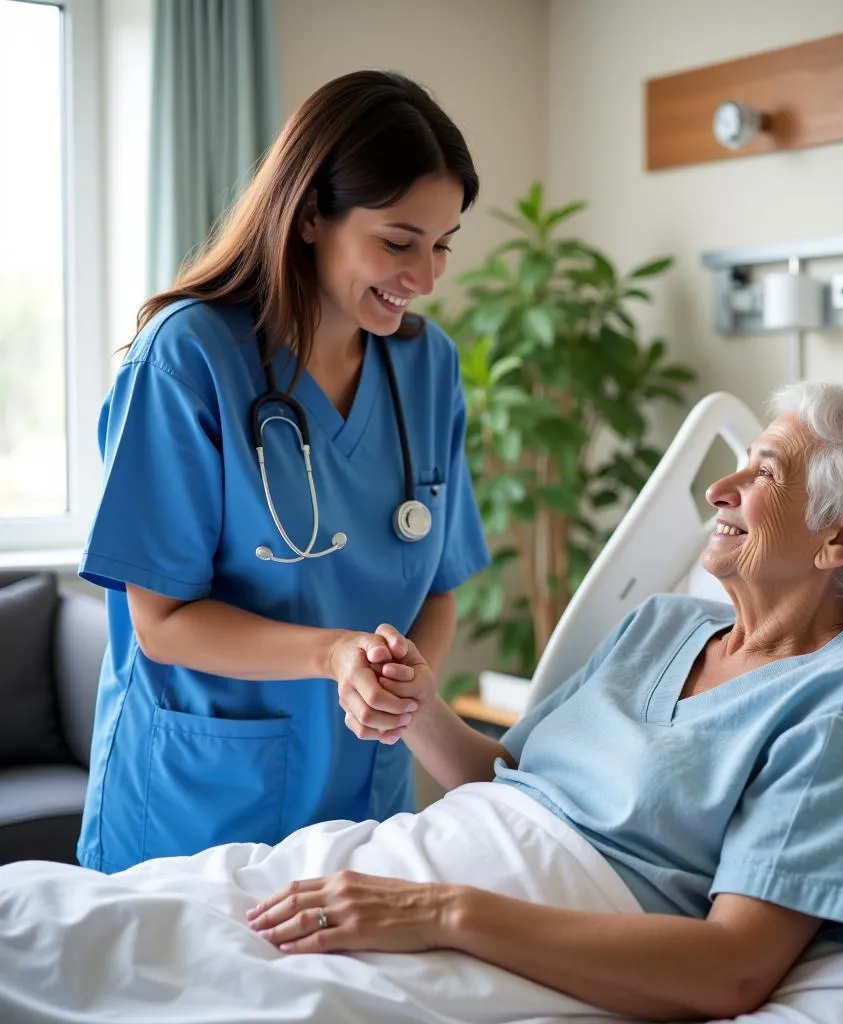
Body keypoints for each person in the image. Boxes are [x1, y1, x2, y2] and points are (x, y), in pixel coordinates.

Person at [5, 382, 843, 1024]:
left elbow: (733, 968)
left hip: (498, 929)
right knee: (51, 920)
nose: (720, 485)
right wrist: (419, 704)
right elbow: (511, 784)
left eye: (763, 472)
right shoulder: (666, 626)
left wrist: (437, 911)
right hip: (398, 869)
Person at [76, 70, 490, 874]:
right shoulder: (191, 357)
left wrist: (403, 680)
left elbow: (437, 585)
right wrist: (335, 654)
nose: (427, 276)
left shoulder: (426, 364)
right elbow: (162, 623)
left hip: (364, 798)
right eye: (399, 241)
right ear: (309, 217)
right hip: (196, 802)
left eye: (442, 245)